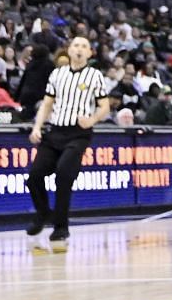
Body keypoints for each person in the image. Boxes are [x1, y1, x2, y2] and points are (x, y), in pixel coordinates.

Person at [25, 35, 111, 253]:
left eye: (84, 46)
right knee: (35, 176)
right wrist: (37, 127)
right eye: (76, 45)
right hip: (55, 132)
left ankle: (61, 228)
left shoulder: (95, 76)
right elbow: (46, 104)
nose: (79, 49)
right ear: (69, 50)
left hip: (78, 133)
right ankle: (43, 213)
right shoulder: (57, 74)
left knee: (64, 174)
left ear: (90, 53)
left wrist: (91, 119)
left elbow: (104, 107)